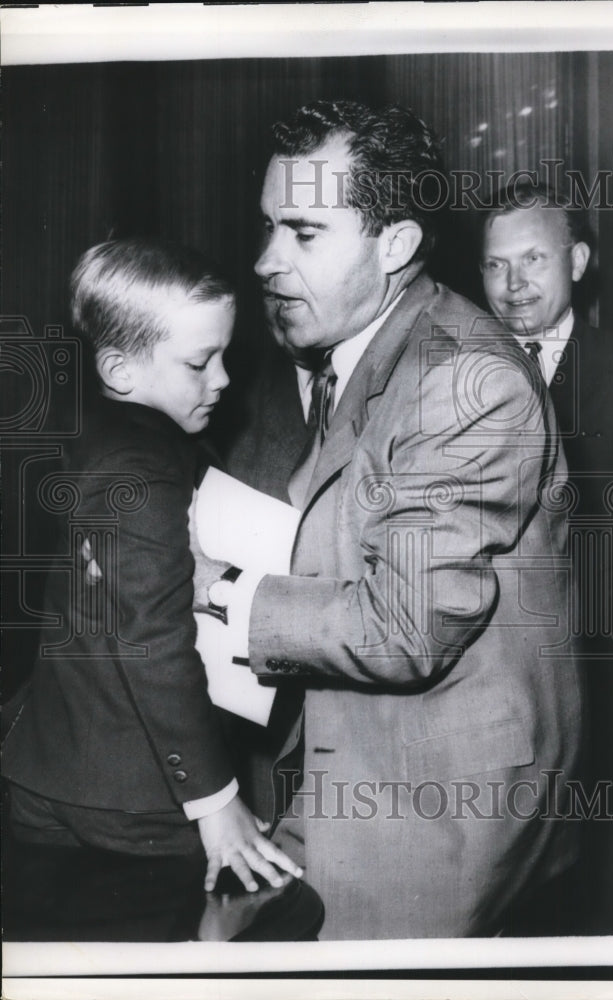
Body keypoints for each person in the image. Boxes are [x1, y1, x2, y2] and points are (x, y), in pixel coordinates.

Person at [195, 100, 584, 940]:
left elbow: (403, 624)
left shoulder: (466, 381)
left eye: (303, 233)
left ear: (397, 245)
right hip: (347, 764)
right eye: (267, 227)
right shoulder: (359, 350)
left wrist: (221, 596)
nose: (265, 260)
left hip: (438, 807)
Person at [2, 238, 302, 898]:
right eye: (200, 362)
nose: (223, 379)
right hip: (131, 793)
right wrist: (215, 798)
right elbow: (153, 646)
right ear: (120, 369)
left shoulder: (90, 426)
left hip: (49, 761)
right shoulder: (145, 468)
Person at [480, 180, 613, 933]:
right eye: (495, 266)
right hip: (482, 688)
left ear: (577, 260)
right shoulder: (450, 374)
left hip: (598, 681)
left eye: (533, 260)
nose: (513, 285)